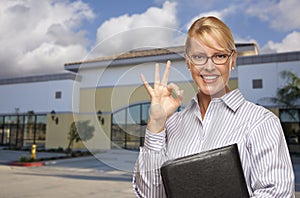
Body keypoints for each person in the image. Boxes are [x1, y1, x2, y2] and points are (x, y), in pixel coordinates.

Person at [132, 16, 295, 197]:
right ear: (188, 61)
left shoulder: (261, 122)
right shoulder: (171, 125)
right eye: (199, 57)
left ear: (232, 60)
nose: (209, 67)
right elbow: (151, 194)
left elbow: (276, 193)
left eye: (219, 56)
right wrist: (156, 124)